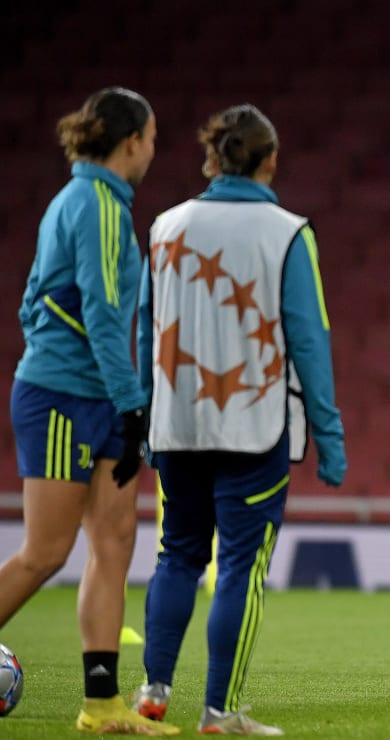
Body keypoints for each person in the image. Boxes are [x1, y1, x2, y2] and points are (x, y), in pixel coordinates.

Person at [131, 103, 347, 735]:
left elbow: (146, 330)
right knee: (239, 568)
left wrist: (147, 420)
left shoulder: (165, 227)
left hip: (177, 424)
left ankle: (153, 690)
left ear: (212, 156)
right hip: (254, 427)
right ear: (270, 158)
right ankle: (218, 711)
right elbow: (311, 343)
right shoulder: (288, 233)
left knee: (177, 556)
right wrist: (329, 442)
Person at [0, 87, 179, 735]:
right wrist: (135, 407)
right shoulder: (97, 206)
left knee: (114, 541)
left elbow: (44, 300)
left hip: (98, 395)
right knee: (45, 552)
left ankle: (102, 704)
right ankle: (101, 704)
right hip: (64, 398)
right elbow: (105, 315)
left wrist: (122, 403)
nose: (155, 151)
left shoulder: (88, 203)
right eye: (154, 138)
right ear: (130, 142)